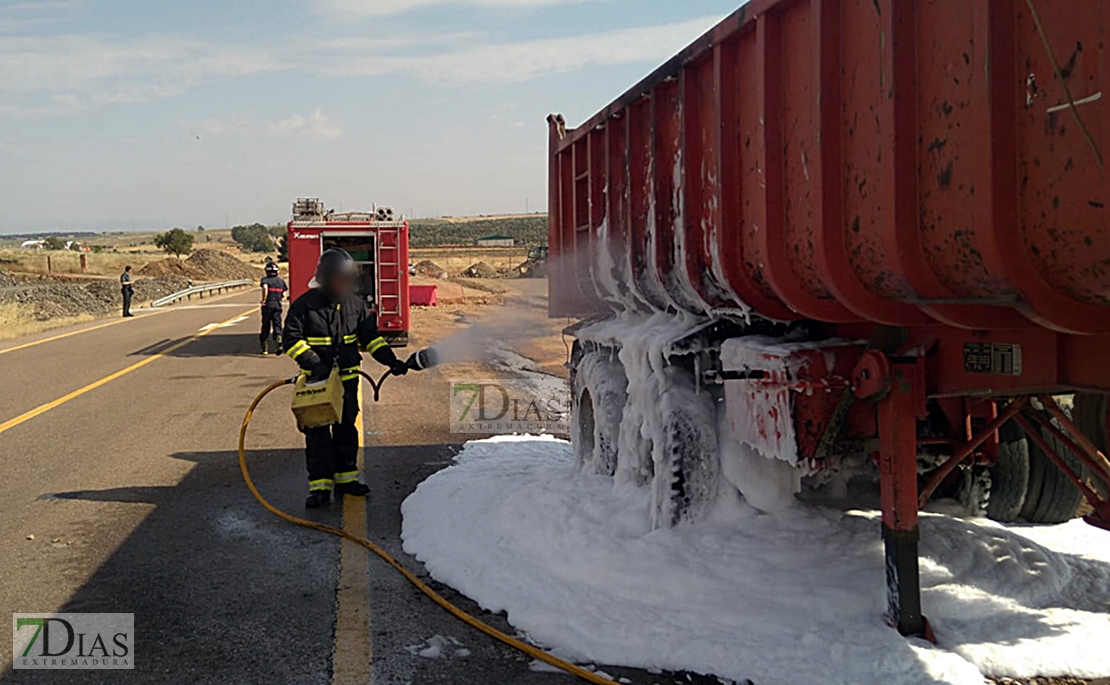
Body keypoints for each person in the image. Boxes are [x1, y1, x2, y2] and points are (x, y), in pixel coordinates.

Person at [283, 249, 414, 509]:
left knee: (346, 430)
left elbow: (371, 339)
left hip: (347, 381)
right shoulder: (304, 305)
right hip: (316, 384)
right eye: (337, 280)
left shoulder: (356, 306)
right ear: (324, 278)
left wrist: (391, 360)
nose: (342, 285)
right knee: (317, 434)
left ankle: (347, 479)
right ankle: (319, 487)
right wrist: (313, 363)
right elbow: (291, 339)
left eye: (346, 280)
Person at [259, 261, 287, 355]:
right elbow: (284, 294)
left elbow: (265, 288)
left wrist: (264, 299)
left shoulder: (265, 280)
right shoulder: (280, 281)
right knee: (277, 323)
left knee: (266, 325)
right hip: (277, 304)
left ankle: (264, 347)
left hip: (268, 305)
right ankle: (279, 339)